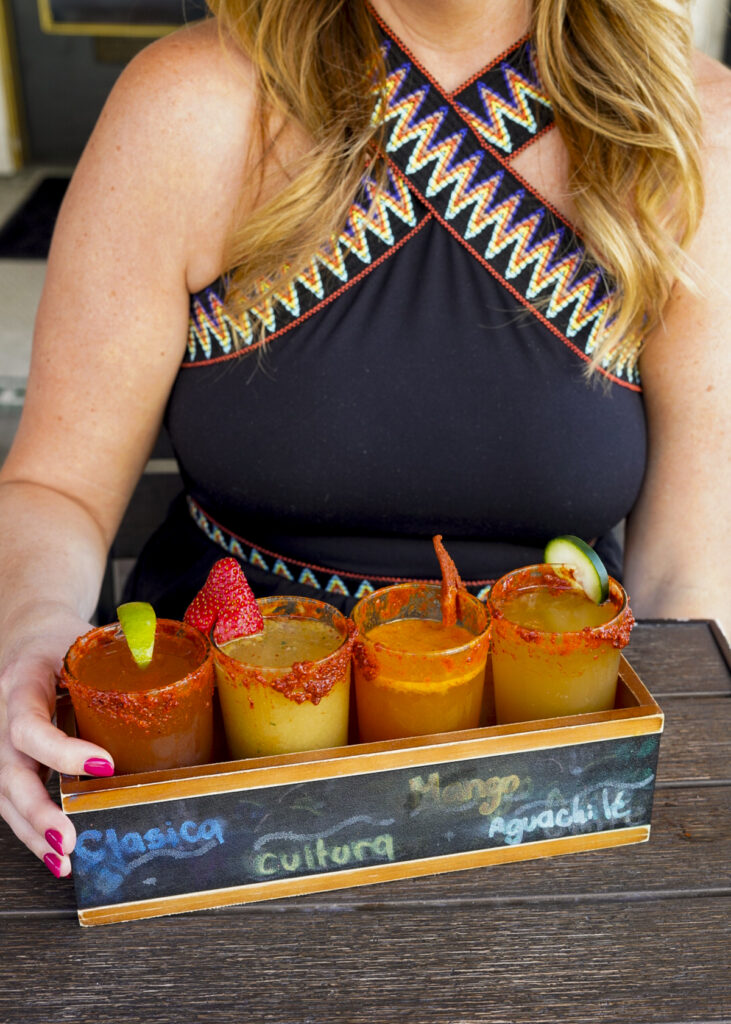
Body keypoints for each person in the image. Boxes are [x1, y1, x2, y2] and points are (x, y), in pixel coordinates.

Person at [0, 0, 728, 879]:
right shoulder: (183, 103)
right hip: (196, 777)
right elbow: (58, 488)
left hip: (540, 780)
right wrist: (28, 635)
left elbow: (690, 580)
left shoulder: (689, 129)